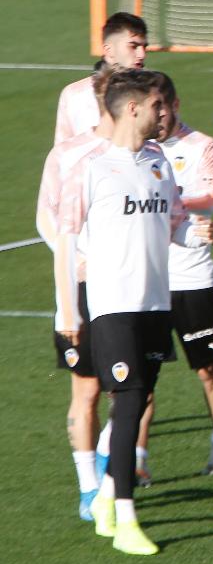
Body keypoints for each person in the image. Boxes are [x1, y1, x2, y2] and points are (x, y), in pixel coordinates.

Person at [54, 68, 213, 555]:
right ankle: (126, 517)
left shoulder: (157, 162)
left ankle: (106, 495)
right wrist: (69, 311)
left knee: (141, 396)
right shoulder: (88, 167)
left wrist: (198, 233)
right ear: (132, 109)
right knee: (126, 402)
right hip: (112, 306)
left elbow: (172, 225)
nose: (163, 114)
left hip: (155, 303)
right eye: (156, 106)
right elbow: (65, 244)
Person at [38, 70, 113, 520]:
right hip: (83, 287)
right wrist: (76, 259)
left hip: (127, 290)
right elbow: (45, 217)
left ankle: (110, 458)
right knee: (85, 390)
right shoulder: (68, 155)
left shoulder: (143, 154)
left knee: (132, 393)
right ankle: (89, 489)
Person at [155, 76, 213, 475]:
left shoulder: (202, 146)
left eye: (163, 107)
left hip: (192, 280)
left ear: (176, 103)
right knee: (140, 381)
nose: (158, 116)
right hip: (146, 281)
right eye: (151, 109)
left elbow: (207, 197)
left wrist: (156, 205)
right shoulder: (133, 150)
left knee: (206, 369)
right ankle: (136, 461)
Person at [54, 12, 147, 144]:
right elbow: (61, 153)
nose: (142, 54)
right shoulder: (74, 95)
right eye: (133, 46)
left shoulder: (151, 94)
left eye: (144, 47)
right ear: (109, 50)